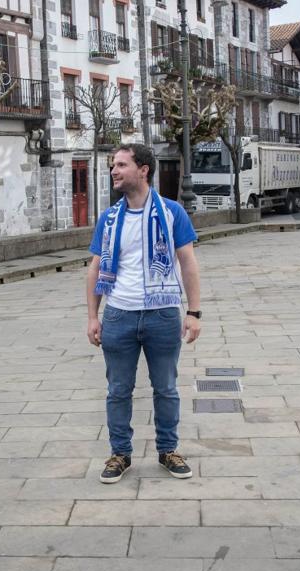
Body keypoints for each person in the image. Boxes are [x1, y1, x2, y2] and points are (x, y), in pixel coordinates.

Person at [86, 144, 201, 484]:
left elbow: (188, 262)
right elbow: (95, 268)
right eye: (113, 165)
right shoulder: (109, 219)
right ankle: (120, 453)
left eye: (122, 165)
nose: (114, 170)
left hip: (162, 314)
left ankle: (168, 450)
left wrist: (194, 312)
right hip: (118, 315)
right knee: (118, 390)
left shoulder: (172, 212)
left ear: (143, 170)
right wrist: (93, 316)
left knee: (165, 388)